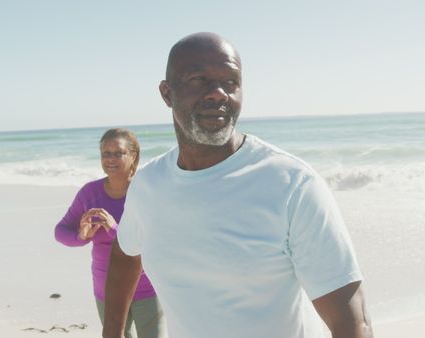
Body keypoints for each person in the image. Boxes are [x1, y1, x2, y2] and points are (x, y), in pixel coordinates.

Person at [103, 33, 373, 338]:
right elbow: (125, 254)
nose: (218, 93)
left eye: (231, 82)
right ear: (167, 93)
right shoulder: (149, 186)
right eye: (198, 79)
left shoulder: (291, 184)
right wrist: (112, 331)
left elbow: (352, 319)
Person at [54, 128, 167, 338]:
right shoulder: (90, 193)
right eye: (106, 153)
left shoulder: (145, 191)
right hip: (106, 290)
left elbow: (159, 240)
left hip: (147, 288)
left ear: (133, 156)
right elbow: (60, 232)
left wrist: (116, 229)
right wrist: (82, 236)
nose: (111, 159)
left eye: (119, 153)